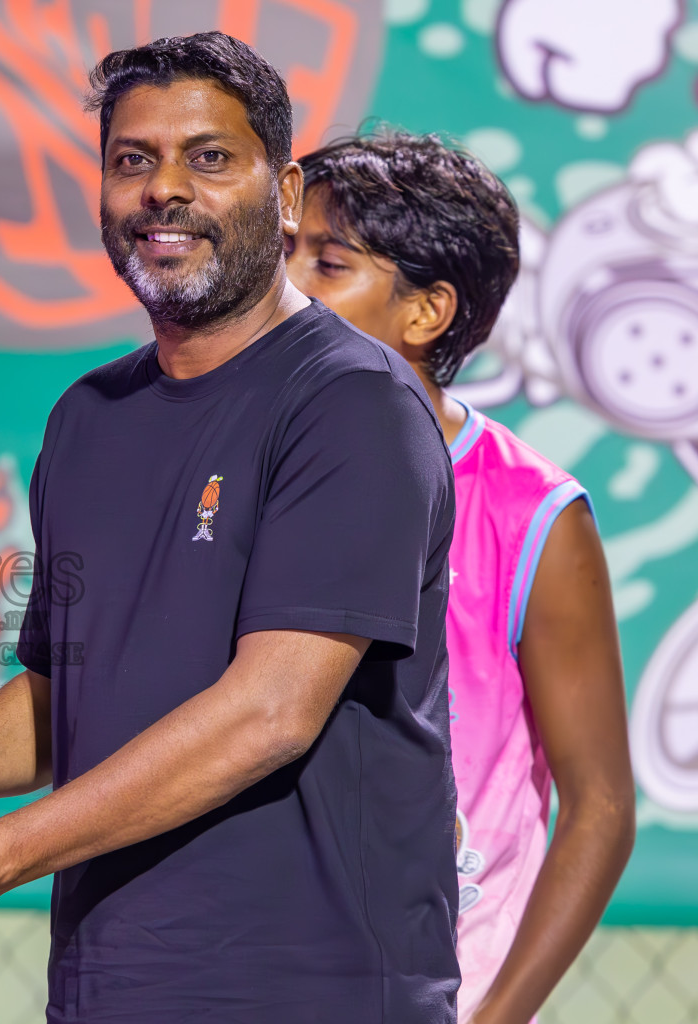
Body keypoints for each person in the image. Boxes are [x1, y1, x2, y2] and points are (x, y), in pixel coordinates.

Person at [0, 32, 460, 1023]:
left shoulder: (351, 401)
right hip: (108, 986)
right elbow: (68, 700)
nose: (164, 189)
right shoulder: (87, 417)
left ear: (284, 195)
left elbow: (271, 710)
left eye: (209, 158)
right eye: (132, 160)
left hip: (312, 991)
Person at [286, 131, 636, 1024]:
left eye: (327, 263)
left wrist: (494, 1015)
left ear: (427, 312)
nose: (282, 284)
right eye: (283, 248)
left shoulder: (533, 517)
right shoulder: (231, 481)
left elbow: (598, 803)